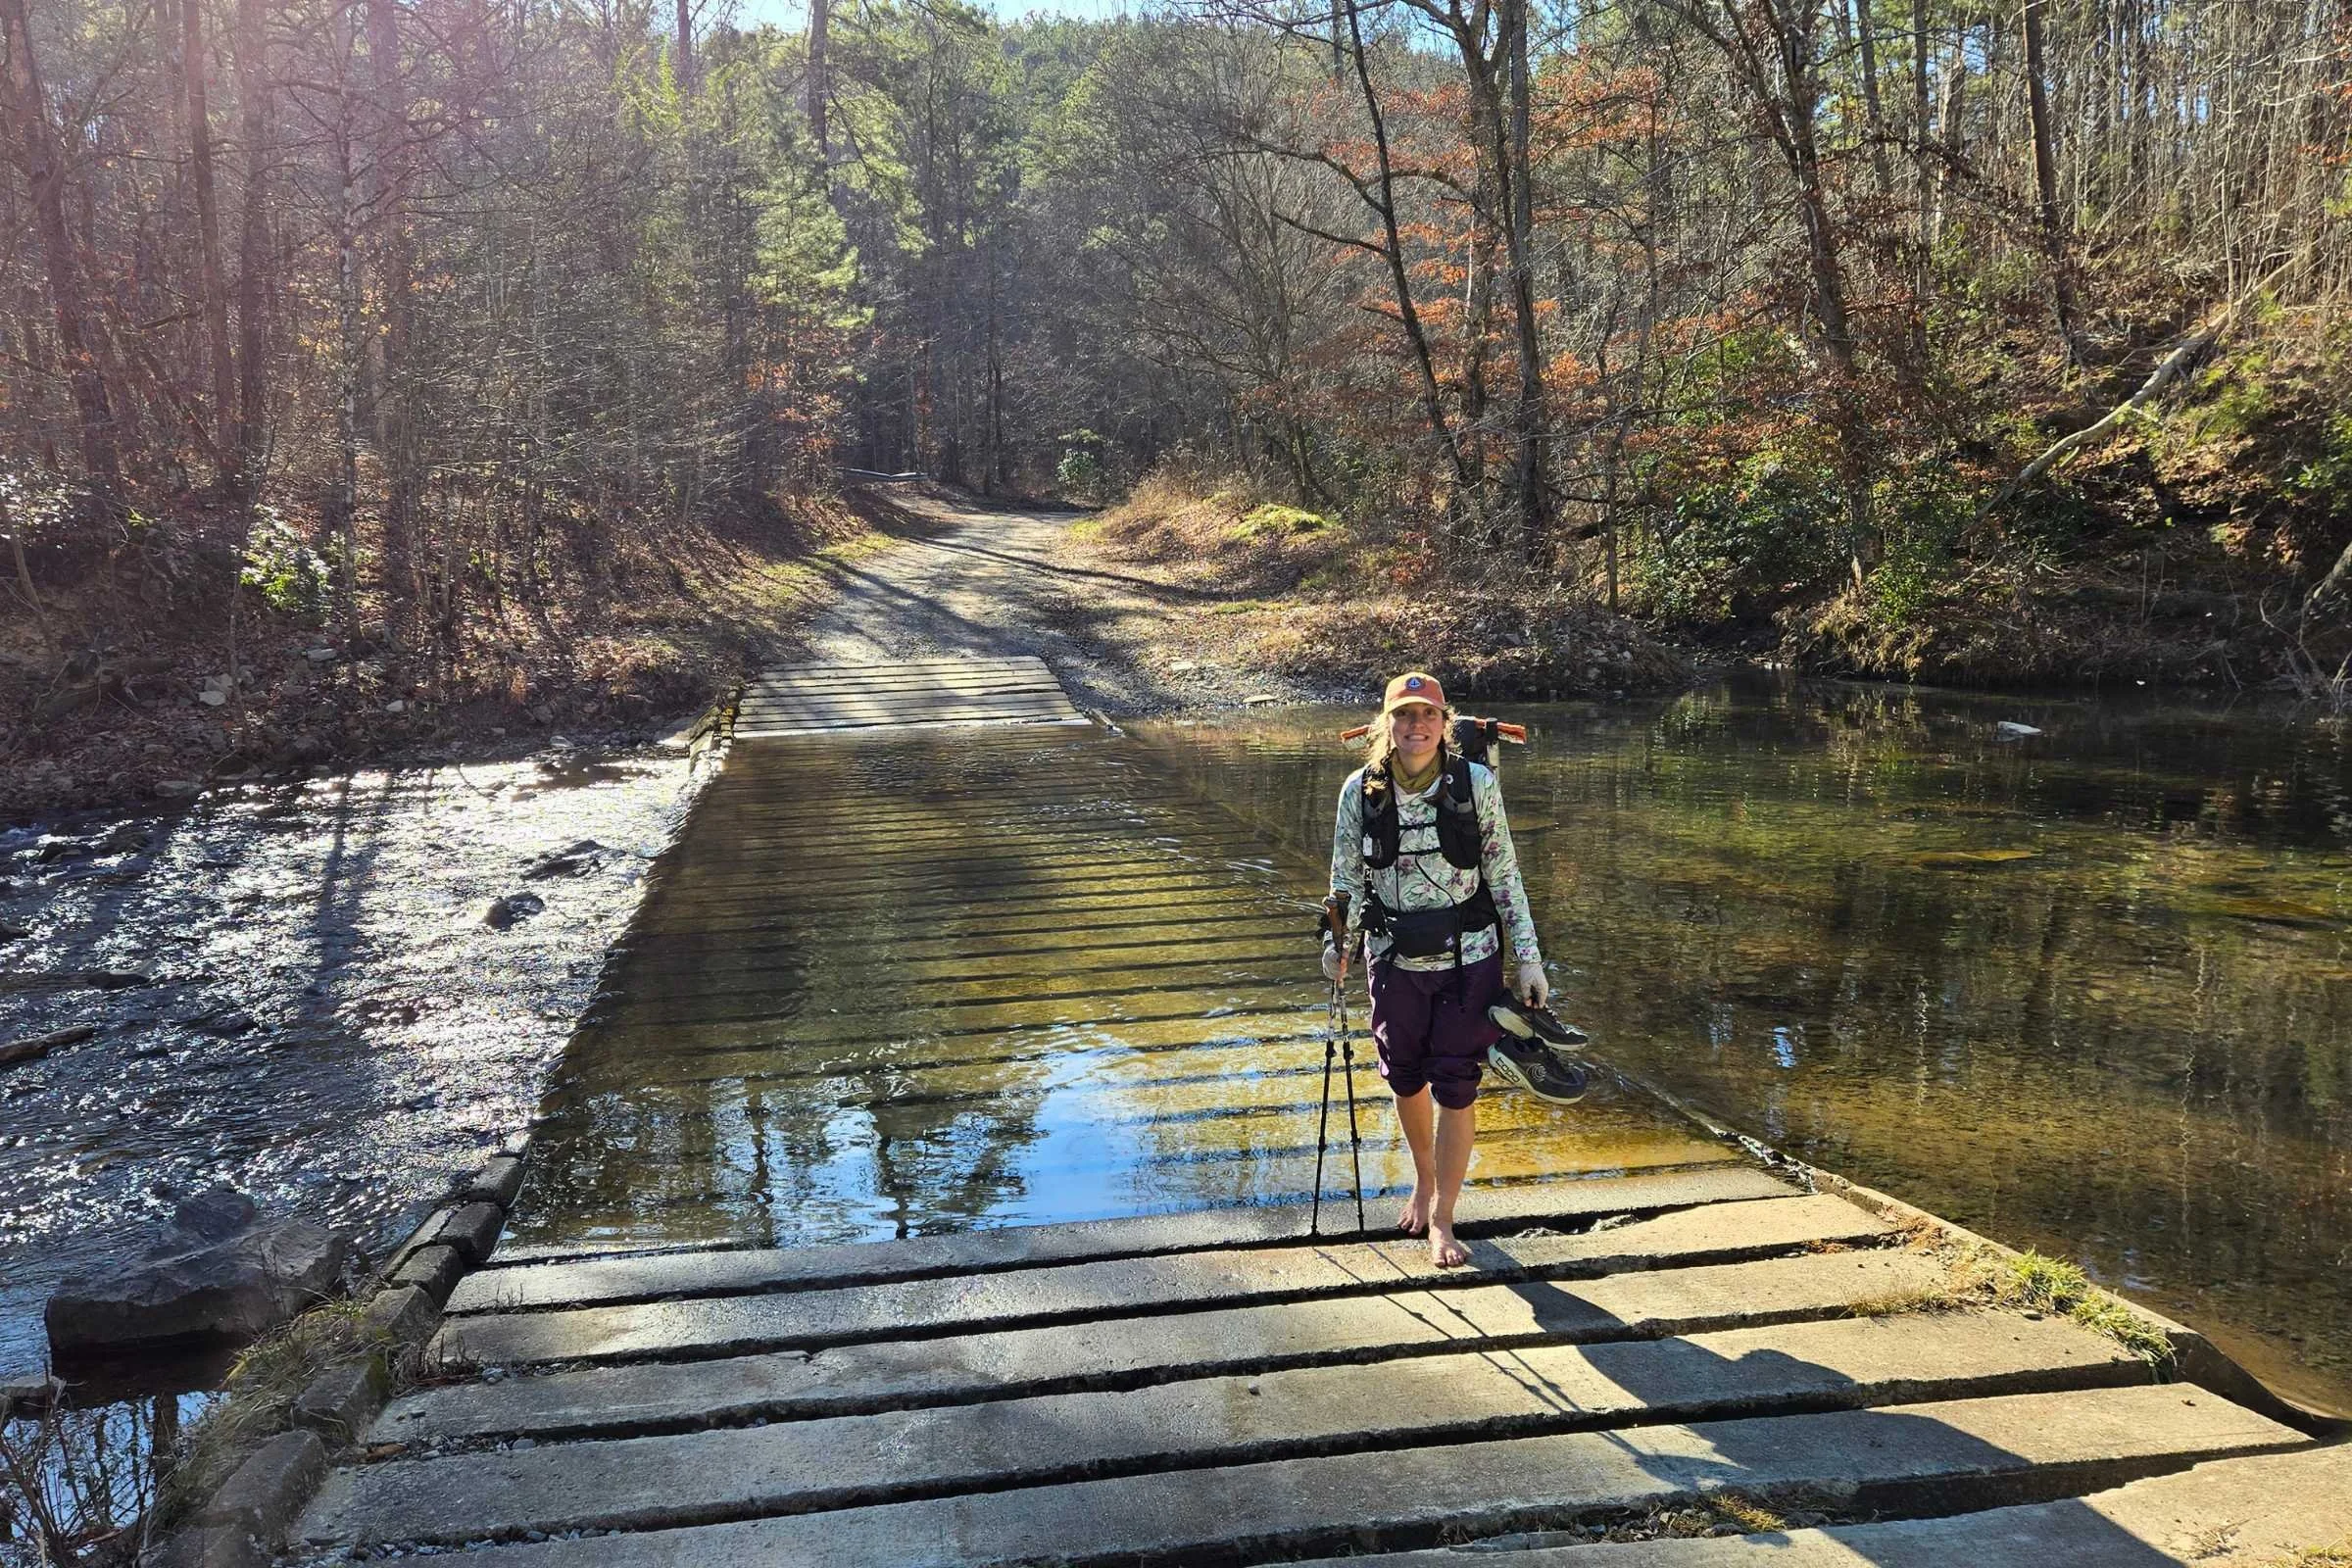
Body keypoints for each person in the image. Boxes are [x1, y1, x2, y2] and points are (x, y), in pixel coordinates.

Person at [1323, 671, 1547, 1268]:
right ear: (1386, 725)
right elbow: (1344, 878)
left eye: (1427, 716)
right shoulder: (1359, 791)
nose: (1415, 727)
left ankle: (1444, 1217)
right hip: (1392, 958)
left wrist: (1527, 959)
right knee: (1404, 1077)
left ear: (1444, 724)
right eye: (1404, 716)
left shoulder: (1475, 785)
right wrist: (1337, 941)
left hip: (1469, 959)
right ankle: (1423, 1180)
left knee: (1456, 1084)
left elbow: (1504, 874)